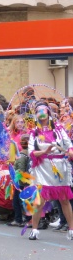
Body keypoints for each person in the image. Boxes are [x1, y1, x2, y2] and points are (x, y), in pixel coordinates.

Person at [27, 101, 73, 240]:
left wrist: (70, 151)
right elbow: (31, 152)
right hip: (42, 167)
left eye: (43, 110)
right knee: (40, 200)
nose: (41, 113)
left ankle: (71, 229)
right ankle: (34, 230)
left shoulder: (59, 129)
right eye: (38, 111)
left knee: (64, 199)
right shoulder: (34, 132)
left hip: (59, 166)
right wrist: (44, 151)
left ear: (48, 112)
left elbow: (68, 144)